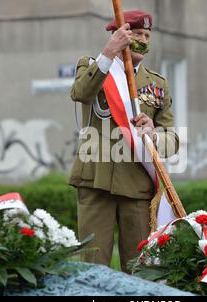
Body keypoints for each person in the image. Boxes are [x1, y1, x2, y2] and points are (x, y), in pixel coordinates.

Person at [69, 10, 179, 273]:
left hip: (138, 187)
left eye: (147, 35)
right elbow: (81, 93)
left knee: (139, 270)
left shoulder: (158, 84)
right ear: (119, 36)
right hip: (97, 181)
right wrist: (108, 53)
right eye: (136, 34)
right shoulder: (93, 66)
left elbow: (173, 139)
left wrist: (154, 134)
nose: (143, 39)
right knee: (94, 270)